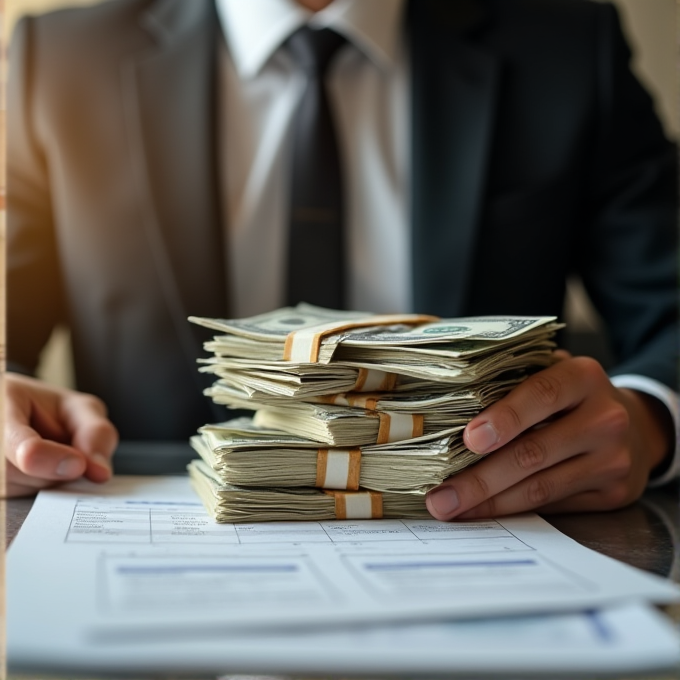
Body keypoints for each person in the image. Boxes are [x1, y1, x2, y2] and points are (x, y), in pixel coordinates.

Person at [6, 0, 679, 520]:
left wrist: (649, 422)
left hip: (474, 526)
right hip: (155, 539)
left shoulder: (564, 48)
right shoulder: (59, 61)